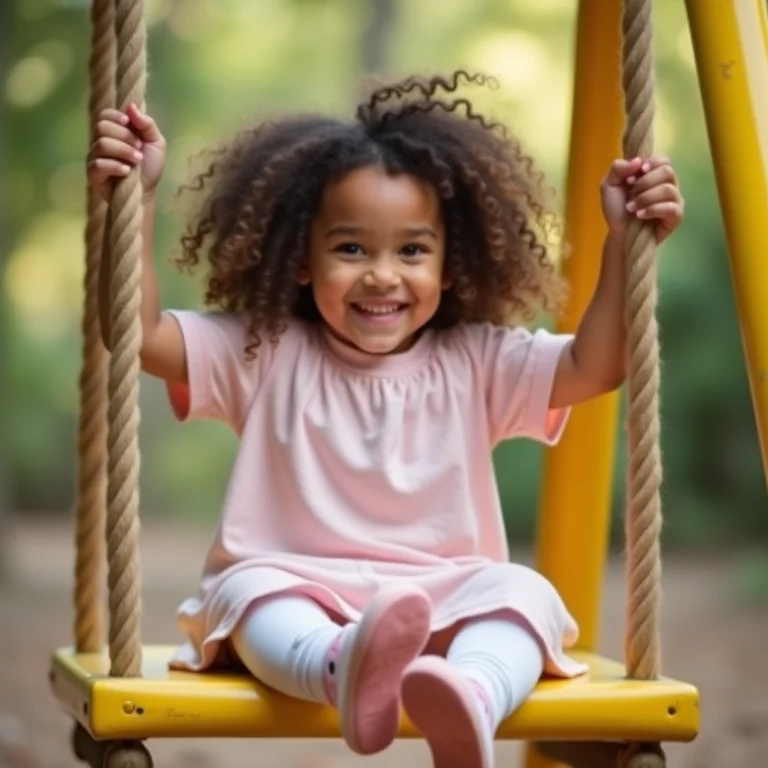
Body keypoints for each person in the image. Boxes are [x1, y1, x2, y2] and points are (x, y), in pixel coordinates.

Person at [87, 71, 684, 768]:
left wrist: (623, 245)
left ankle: (471, 696)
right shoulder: (263, 348)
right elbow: (138, 332)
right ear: (302, 260)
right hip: (296, 584)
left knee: (525, 594)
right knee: (250, 595)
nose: (381, 275)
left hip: (446, 592)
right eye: (350, 249)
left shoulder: (476, 360)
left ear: (450, 265)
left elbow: (596, 365)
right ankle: (339, 667)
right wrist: (138, 199)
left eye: (411, 250)